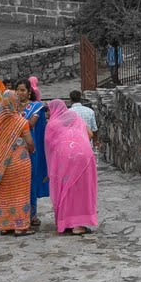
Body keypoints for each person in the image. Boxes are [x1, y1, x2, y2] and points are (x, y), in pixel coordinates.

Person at [45, 99, 98, 235]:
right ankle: (78, 225)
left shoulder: (52, 124)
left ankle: (66, 222)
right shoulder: (76, 118)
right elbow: (90, 134)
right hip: (84, 155)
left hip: (64, 158)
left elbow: (49, 145)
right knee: (81, 190)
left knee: (66, 189)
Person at [0, 91, 35, 236]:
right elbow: (30, 142)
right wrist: (31, 150)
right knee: (20, 193)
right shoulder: (20, 122)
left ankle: (5, 226)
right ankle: (20, 227)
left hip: (2, 163)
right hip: (19, 161)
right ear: (14, 103)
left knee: (5, 193)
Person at [15, 78, 49, 227]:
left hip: (31, 150)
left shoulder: (36, 107)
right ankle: (16, 215)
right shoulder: (12, 107)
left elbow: (31, 124)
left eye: (22, 90)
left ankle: (31, 215)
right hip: (14, 150)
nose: (19, 93)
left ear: (29, 92)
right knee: (16, 182)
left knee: (31, 181)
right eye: (17, 90)